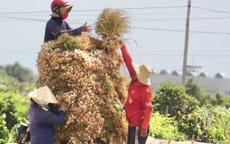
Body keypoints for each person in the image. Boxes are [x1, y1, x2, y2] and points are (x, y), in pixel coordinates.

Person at [120, 45, 153, 144]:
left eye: (136, 73)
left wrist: (143, 128)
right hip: (132, 124)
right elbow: (128, 61)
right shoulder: (135, 80)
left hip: (138, 126)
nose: (133, 73)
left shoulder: (145, 90)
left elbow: (148, 109)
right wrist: (122, 46)